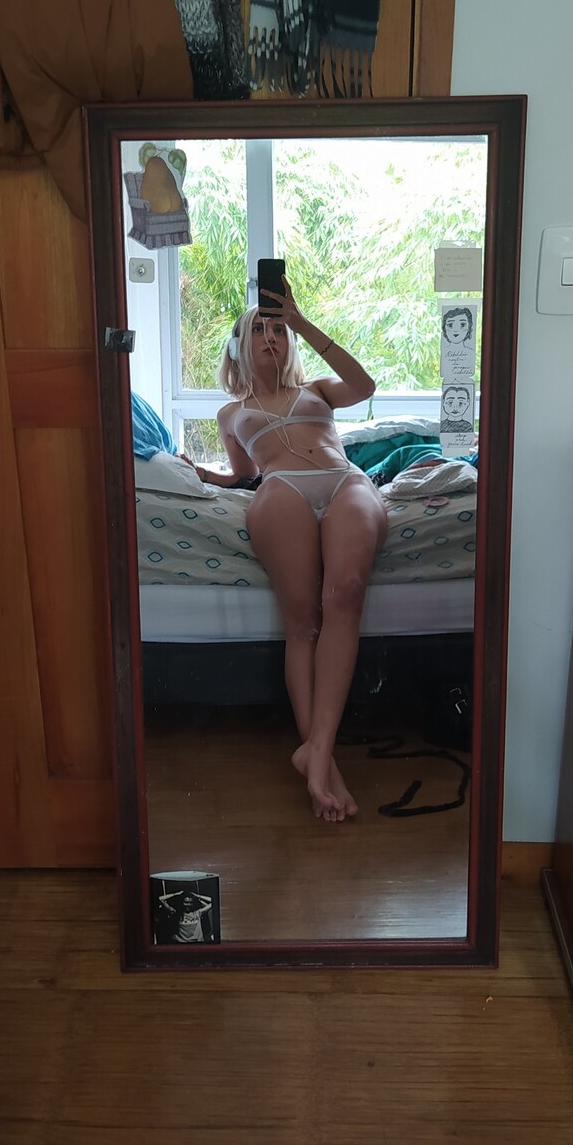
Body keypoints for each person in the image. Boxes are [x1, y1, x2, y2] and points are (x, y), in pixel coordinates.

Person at [198, 287, 387, 823]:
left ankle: (316, 753)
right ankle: (325, 765)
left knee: (346, 592)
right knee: (302, 622)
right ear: (238, 347)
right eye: (258, 329)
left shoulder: (317, 390)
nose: (270, 337)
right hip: (281, 488)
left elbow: (365, 386)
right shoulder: (231, 413)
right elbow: (242, 474)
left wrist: (301, 321)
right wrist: (203, 475)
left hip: (344, 480)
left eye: (278, 329)